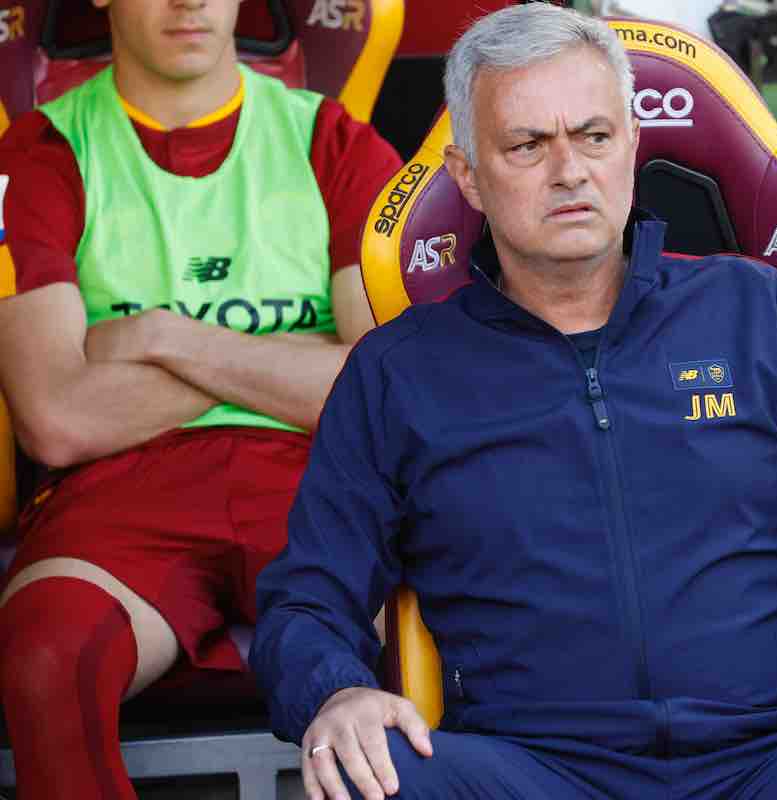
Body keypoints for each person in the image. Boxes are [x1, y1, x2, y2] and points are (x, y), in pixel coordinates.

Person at [251, 5, 777, 799]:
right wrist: (336, 694)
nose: (569, 171)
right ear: (468, 177)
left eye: (593, 136)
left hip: (776, 762)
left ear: (630, 142)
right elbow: (307, 599)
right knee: (364, 774)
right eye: (528, 145)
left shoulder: (756, 312)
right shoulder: (398, 372)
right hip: (538, 771)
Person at [0, 0, 402, 795]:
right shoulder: (37, 152)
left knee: (476, 620)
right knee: (43, 657)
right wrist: (300, 359)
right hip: (118, 494)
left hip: (318, 481)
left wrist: (164, 336)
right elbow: (56, 419)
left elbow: (386, 390)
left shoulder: (336, 140)